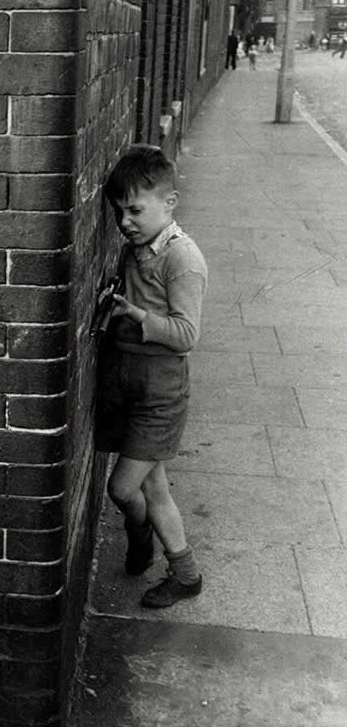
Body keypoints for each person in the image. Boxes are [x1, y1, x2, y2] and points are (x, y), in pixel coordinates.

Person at [96, 145, 208, 609]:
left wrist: (136, 314)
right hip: (129, 383)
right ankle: (180, 570)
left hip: (160, 392)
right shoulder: (136, 249)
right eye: (120, 212)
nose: (125, 221)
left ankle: (149, 543)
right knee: (153, 484)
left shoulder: (182, 259)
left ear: (170, 203)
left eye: (136, 211)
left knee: (123, 487)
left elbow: (186, 334)